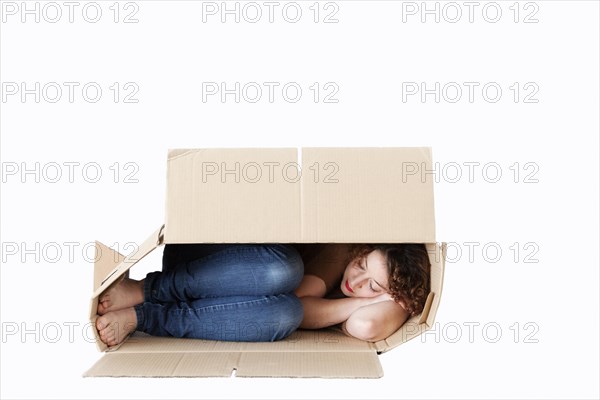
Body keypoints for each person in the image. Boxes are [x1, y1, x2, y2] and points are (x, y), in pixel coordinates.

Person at [95, 243, 430, 346]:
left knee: (283, 315)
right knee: (285, 271)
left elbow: (366, 328)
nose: (356, 282)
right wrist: (369, 298)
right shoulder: (345, 251)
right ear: (361, 251)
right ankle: (145, 288)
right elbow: (302, 297)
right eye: (361, 265)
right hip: (205, 260)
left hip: (222, 301)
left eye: (373, 286)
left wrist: (381, 303)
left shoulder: (375, 300)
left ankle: (144, 316)